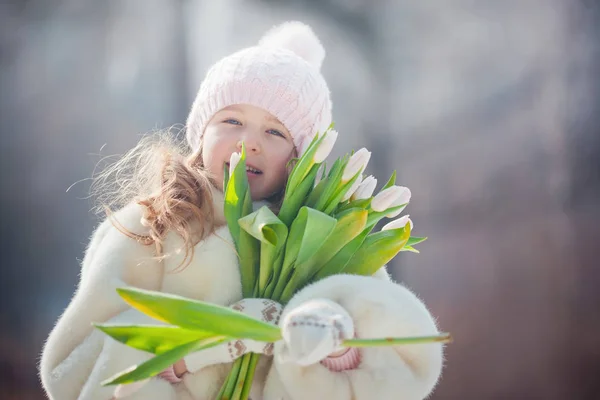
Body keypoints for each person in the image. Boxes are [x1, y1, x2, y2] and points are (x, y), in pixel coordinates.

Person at [39, 21, 444, 400]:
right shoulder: (151, 227)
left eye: (275, 131)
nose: (249, 142)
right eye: (231, 120)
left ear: (301, 158)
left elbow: (396, 356)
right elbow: (72, 368)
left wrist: (338, 349)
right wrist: (190, 342)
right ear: (200, 133)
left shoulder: (329, 242)